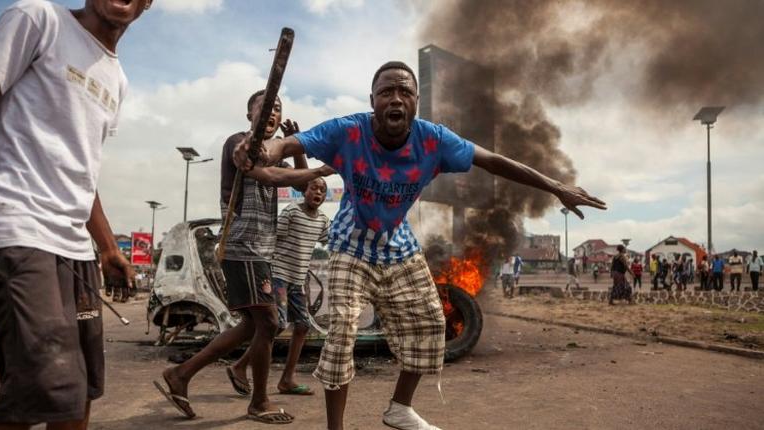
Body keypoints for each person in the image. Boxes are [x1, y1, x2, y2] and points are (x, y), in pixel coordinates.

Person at [236, 61, 606, 430]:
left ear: (416, 101)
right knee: (342, 331)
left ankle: (400, 407)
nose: (395, 99)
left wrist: (557, 186)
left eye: (404, 92)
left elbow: (493, 161)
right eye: (386, 92)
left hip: (397, 242)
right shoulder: (348, 131)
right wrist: (260, 152)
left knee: (431, 322)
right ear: (372, 101)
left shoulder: (434, 140)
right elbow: (287, 145)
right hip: (351, 243)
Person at [0, 1, 152, 428]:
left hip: (74, 247)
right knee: (49, 385)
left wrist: (108, 248)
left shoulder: (118, 78)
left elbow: (80, 168)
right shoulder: (38, 19)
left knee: (83, 389)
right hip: (13, 222)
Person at [155, 90, 334, 424]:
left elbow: (296, 185)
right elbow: (273, 177)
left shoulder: (272, 151)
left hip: (260, 251)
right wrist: (322, 170)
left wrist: (298, 148)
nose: (272, 113)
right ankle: (259, 402)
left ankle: (183, 374)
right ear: (249, 113)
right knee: (268, 322)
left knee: (256, 324)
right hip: (244, 246)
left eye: (277, 108)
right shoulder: (240, 144)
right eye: (264, 106)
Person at [228, 177, 331, 397]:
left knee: (303, 325)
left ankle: (287, 380)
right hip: (279, 276)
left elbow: (332, 239)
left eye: (323, 191)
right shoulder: (291, 212)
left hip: (297, 279)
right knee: (278, 324)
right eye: (314, 187)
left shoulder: (323, 220)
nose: (318, 193)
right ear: (305, 190)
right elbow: (273, 238)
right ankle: (240, 365)